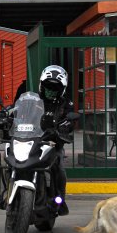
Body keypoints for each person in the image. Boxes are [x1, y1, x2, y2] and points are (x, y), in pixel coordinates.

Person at [38, 65, 74, 216]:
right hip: (32, 140)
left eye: (55, 88)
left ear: (62, 90)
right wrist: (9, 115)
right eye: (48, 87)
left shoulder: (66, 104)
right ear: (42, 86)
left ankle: (60, 199)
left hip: (54, 144)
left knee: (59, 167)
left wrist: (64, 128)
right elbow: (18, 111)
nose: (51, 91)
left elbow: (71, 121)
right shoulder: (33, 99)